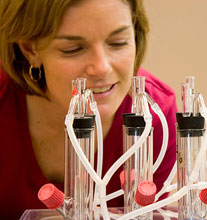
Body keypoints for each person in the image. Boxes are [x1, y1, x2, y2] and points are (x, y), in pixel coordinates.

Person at [0, 0, 177, 219]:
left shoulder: (155, 114)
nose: (102, 67)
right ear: (29, 49)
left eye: (118, 42)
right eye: (73, 49)